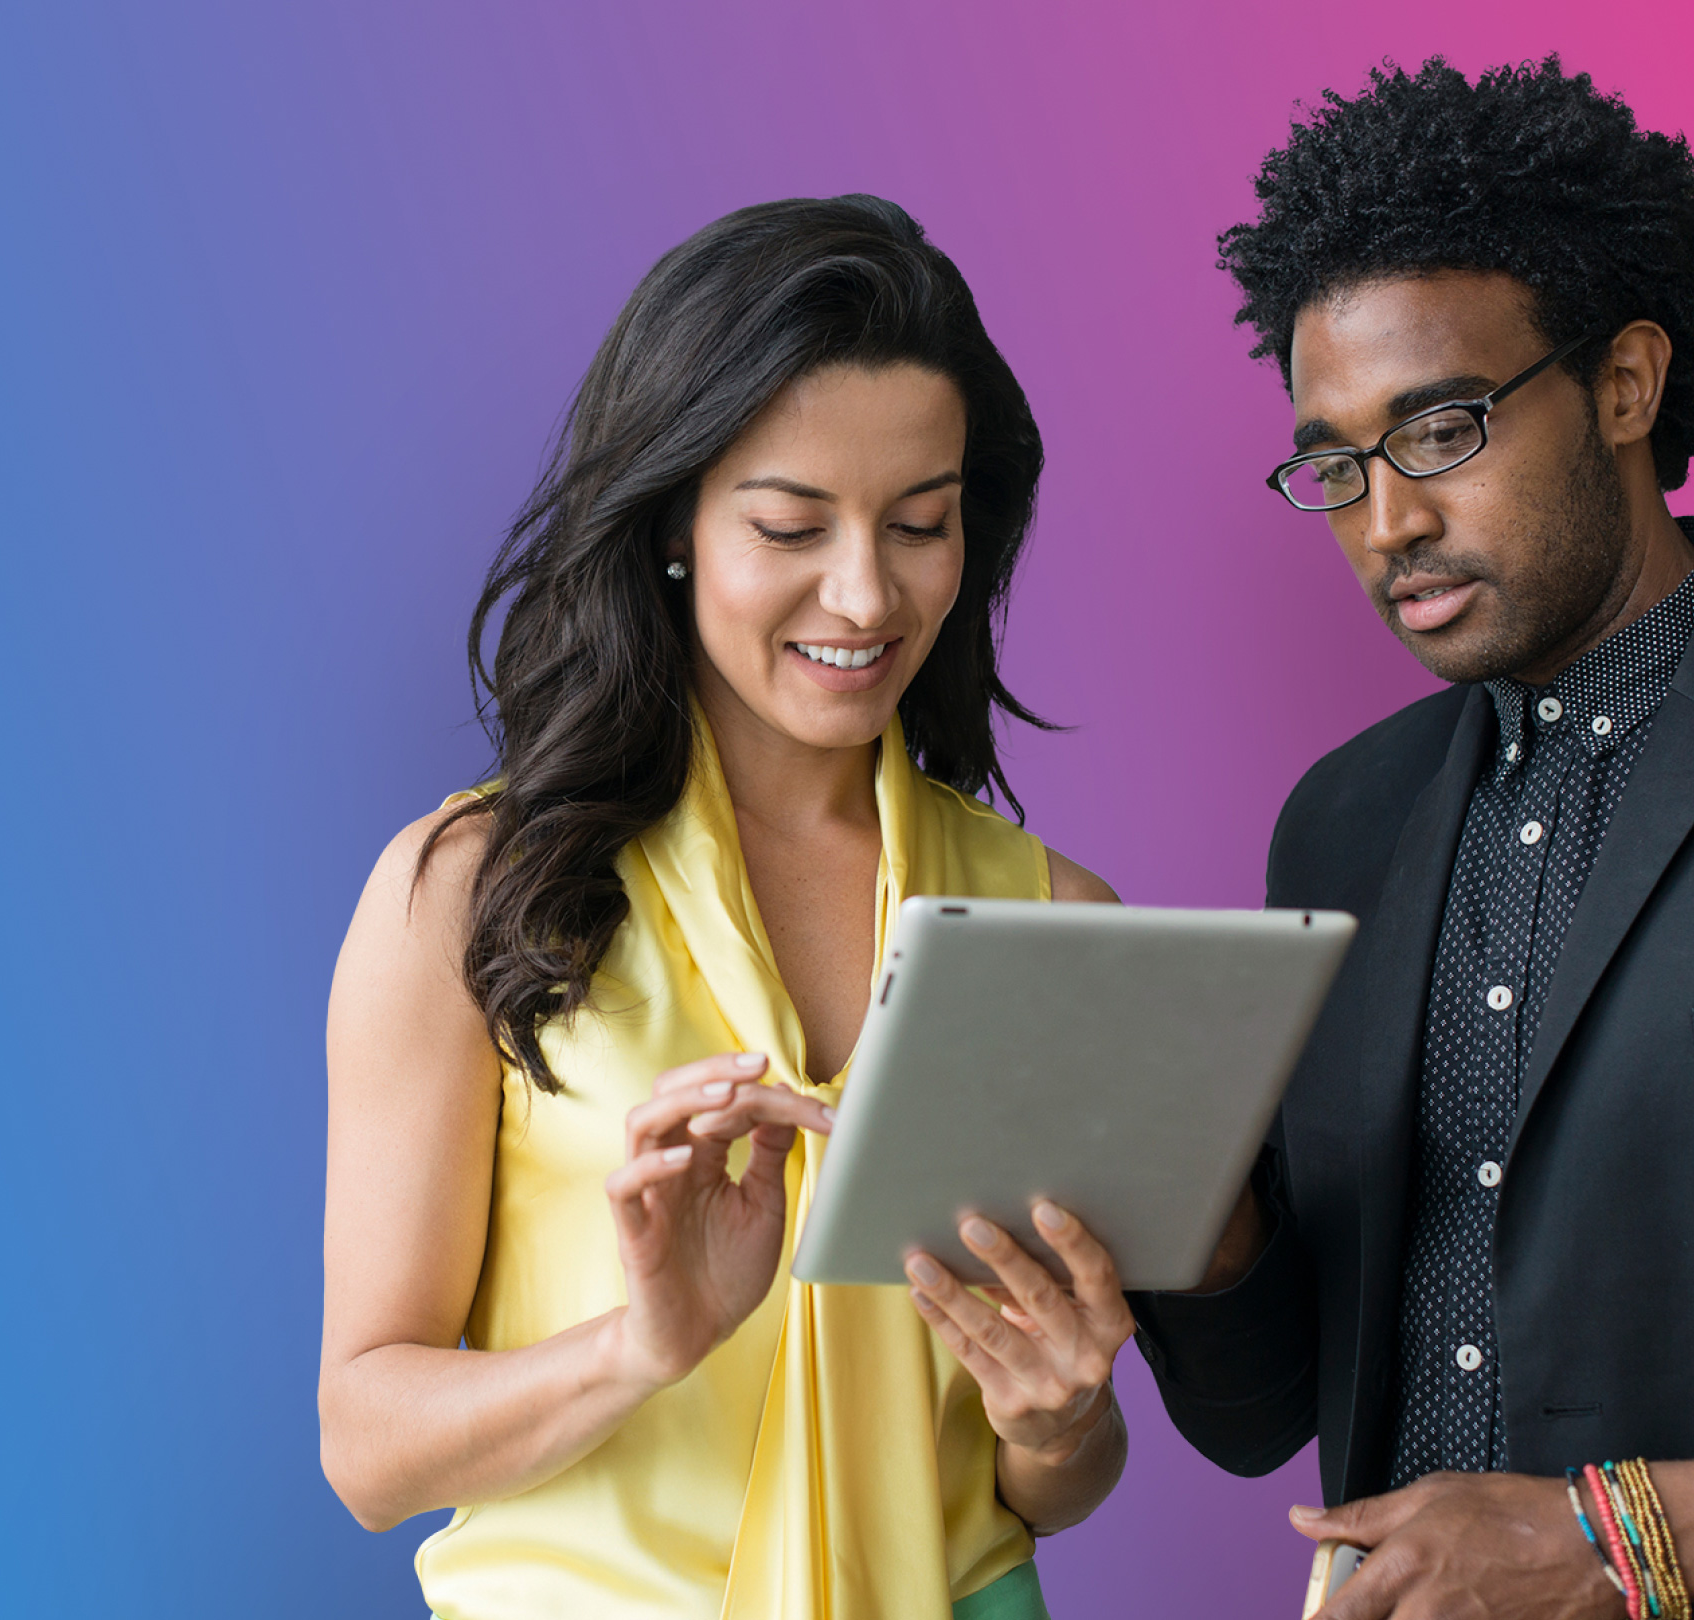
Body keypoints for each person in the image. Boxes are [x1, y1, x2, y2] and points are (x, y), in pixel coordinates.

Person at [1126, 57, 1694, 1620]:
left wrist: (1612, 1546)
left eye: (1439, 429)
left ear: (1623, 384)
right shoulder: (1340, 824)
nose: (1387, 524)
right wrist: (1176, 1211)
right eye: (1337, 464)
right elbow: (1261, 1411)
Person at [319, 195, 1136, 1620]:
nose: (866, 591)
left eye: (922, 524)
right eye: (791, 524)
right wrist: (641, 1343)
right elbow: (367, 1451)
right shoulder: (470, 892)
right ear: (677, 524)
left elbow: (1037, 1488)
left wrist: (1061, 1417)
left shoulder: (1054, 919)